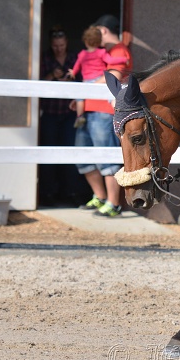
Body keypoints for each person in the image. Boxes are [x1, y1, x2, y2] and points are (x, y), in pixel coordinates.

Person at [75, 14, 133, 218]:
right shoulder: (104, 52)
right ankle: (100, 197)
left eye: (97, 31)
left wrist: (82, 90)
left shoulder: (119, 50)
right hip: (90, 110)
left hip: (104, 112)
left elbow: (113, 77)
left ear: (104, 31)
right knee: (83, 156)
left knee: (106, 158)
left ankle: (113, 203)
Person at [38, 26, 86, 206]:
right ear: (51, 45)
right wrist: (52, 75)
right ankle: (48, 193)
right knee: (48, 153)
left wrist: (70, 80)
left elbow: (83, 80)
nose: (59, 48)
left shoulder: (74, 58)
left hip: (69, 114)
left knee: (70, 153)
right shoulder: (44, 58)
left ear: (66, 44)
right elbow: (37, 83)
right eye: (56, 45)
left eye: (62, 45)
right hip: (49, 113)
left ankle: (71, 192)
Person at [67, 25, 128, 128]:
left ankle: (79, 116)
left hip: (88, 84)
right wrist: (123, 60)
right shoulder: (102, 52)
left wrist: (73, 72)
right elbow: (111, 61)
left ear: (85, 41)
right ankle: (119, 113)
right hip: (97, 82)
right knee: (112, 97)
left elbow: (77, 66)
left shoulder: (82, 54)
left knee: (79, 98)